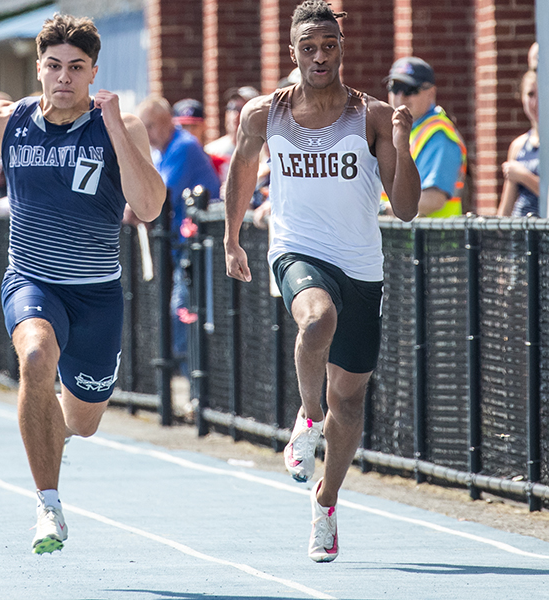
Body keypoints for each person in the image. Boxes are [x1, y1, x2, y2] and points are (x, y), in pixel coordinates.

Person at [0, 13, 165, 554]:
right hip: (32, 279)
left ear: (93, 73)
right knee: (36, 357)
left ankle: (56, 425)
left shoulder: (123, 125)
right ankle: (48, 504)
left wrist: (113, 127)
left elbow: (150, 206)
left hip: (96, 293)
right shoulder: (10, 121)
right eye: (53, 66)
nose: (64, 77)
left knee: (83, 424)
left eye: (76, 67)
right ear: (39, 68)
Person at [222, 0, 419, 562]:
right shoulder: (265, 113)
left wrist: (402, 142)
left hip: (361, 264)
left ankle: (326, 503)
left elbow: (404, 209)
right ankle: (306, 421)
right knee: (317, 319)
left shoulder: (373, 115)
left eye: (328, 46)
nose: (319, 56)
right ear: (293, 52)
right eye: (308, 47)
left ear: (341, 50)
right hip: (297, 250)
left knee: (350, 401)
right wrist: (232, 239)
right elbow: (239, 171)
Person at [136, 95, 221, 378]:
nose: (145, 134)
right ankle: (191, 386)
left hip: (201, 247)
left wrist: (133, 208)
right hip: (183, 248)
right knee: (181, 311)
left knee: (185, 311)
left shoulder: (183, 146)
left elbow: (159, 194)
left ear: (162, 124)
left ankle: (195, 391)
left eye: (148, 126)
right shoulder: (163, 151)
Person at [384, 56, 466, 217]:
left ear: (431, 93)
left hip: (434, 240)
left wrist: (380, 210)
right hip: (404, 239)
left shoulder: (438, 134)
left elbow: (433, 200)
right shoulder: (404, 129)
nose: (400, 96)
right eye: (395, 87)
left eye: (410, 89)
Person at [497, 69, 540, 217]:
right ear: (521, 97)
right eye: (530, 94)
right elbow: (506, 206)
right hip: (520, 233)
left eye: (542, 92)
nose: (536, 102)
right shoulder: (518, 145)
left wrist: (524, 176)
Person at [205, 86, 260, 180]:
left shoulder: (264, 150)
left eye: (242, 109)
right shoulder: (212, 151)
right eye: (232, 108)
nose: (235, 115)